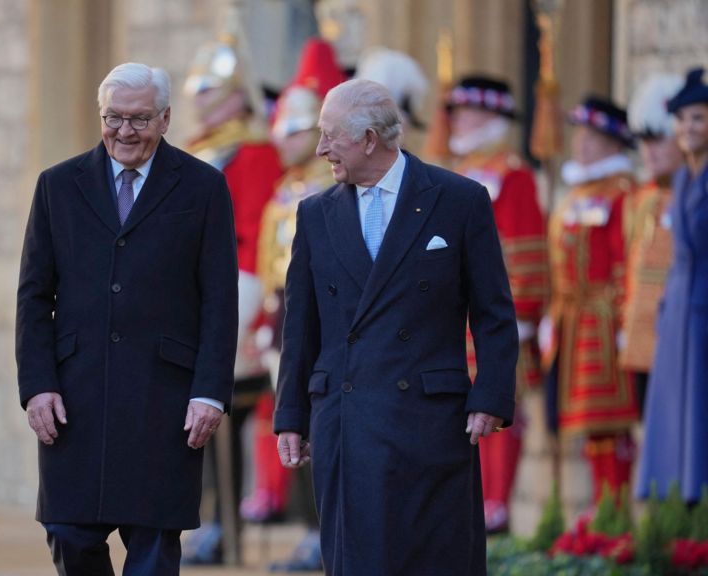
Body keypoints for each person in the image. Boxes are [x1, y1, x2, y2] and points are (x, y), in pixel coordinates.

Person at [274, 78, 518, 575]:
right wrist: (291, 415)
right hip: (345, 417)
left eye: (330, 135)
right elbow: (300, 327)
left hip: (429, 419)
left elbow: (494, 311)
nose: (320, 149)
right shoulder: (315, 214)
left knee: (432, 558)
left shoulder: (459, 199)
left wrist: (491, 394)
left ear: (368, 139)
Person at [16, 62, 238, 576]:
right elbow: (33, 297)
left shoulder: (203, 187)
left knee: (155, 546)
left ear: (164, 119)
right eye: (113, 118)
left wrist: (210, 392)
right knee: (69, 532)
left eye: (138, 119)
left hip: (165, 398)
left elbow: (220, 300)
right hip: (76, 395)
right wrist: (37, 385)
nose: (124, 132)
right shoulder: (57, 186)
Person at [180, 29, 284, 565]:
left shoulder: (256, 152)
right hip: (188, 302)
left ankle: (232, 521)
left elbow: (254, 234)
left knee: (236, 418)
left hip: (237, 302)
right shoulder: (199, 150)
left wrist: (239, 310)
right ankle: (209, 519)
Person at [254, 37, 345, 573]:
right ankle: (308, 526)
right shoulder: (287, 190)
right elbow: (275, 267)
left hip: (321, 319)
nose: (283, 140)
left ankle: (322, 529)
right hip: (287, 317)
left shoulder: (328, 189)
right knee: (293, 423)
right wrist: (268, 319)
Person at [445, 75, 548, 533]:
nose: (459, 120)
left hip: (495, 312)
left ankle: (497, 501)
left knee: (497, 402)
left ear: (491, 117)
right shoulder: (454, 168)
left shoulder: (513, 173)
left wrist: (523, 312)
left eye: (469, 112)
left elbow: (526, 247)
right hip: (453, 312)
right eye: (458, 111)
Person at [543, 96, 640, 504]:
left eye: (592, 136)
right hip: (572, 318)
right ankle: (600, 513)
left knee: (611, 423)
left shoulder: (622, 194)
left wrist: (624, 321)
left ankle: (615, 510)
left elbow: (626, 259)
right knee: (586, 424)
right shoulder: (574, 193)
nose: (580, 143)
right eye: (580, 134)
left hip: (604, 321)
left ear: (614, 143)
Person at [636, 67, 708, 503]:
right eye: (682, 120)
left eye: (698, 118)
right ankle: (677, 504)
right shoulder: (681, 180)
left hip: (704, 304)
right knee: (673, 412)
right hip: (679, 306)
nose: (688, 128)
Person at [619, 73, 685, 411]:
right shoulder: (641, 199)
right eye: (643, 141)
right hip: (640, 346)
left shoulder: (693, 195)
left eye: (657, 139)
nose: (648, 151)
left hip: (681, 340)